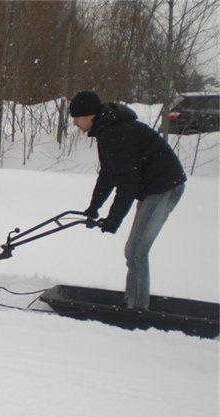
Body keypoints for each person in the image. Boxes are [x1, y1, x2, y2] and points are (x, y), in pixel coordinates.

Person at [69, 90, 187, 311]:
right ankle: (131, 302)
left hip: (165, 187)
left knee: (138, 250)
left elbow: (128, 184)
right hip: (152, 188)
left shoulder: (117, 133)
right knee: (131, 250)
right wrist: (93, 208)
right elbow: (108, 174)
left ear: (91, 115)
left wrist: (113, 219)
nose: (75, 122)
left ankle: (139, 309)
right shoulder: (107, 131)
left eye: (77, 117)